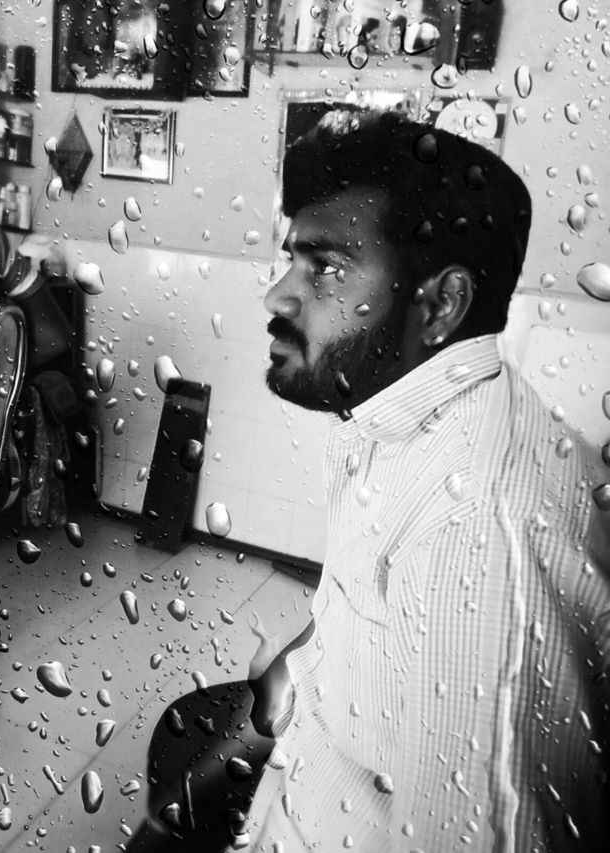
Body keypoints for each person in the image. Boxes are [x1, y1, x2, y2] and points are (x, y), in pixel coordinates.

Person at [246, 109, 610, 850]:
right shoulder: (392, 417)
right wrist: (298, 674)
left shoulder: (478, 536)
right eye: (292, 259)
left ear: (441, 304)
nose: (277, 296)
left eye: (326, 268)